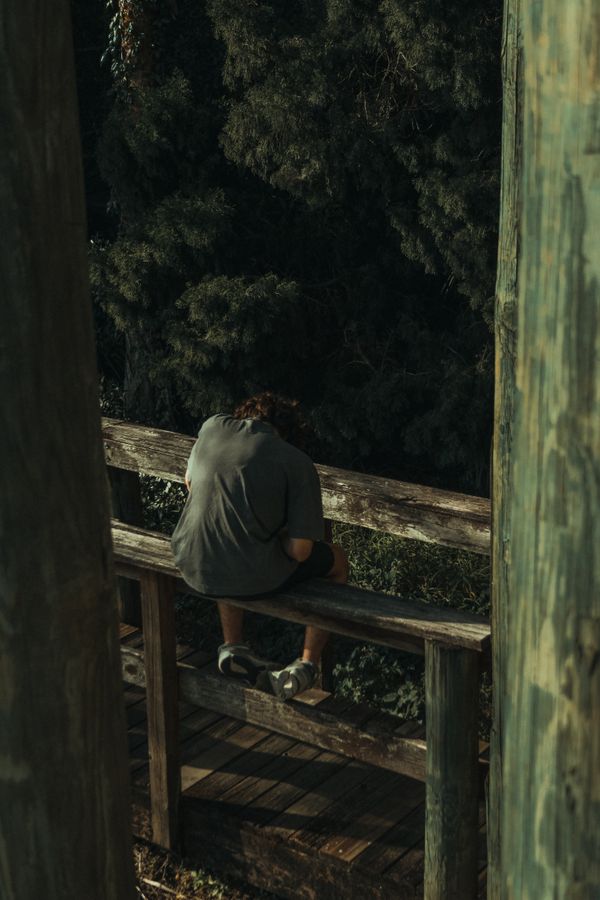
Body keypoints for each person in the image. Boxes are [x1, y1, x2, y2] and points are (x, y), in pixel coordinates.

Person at [171, 392, 348, 700]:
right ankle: (307, 666)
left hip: (189, 558)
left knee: (226, 535)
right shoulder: (296, 461)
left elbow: (189, 481)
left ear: (243, 415)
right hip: (249, 574)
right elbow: (301, 551)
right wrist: (276, 532)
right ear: (288, 432)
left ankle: (232, 646)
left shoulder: (212, 426)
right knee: (338, 563)